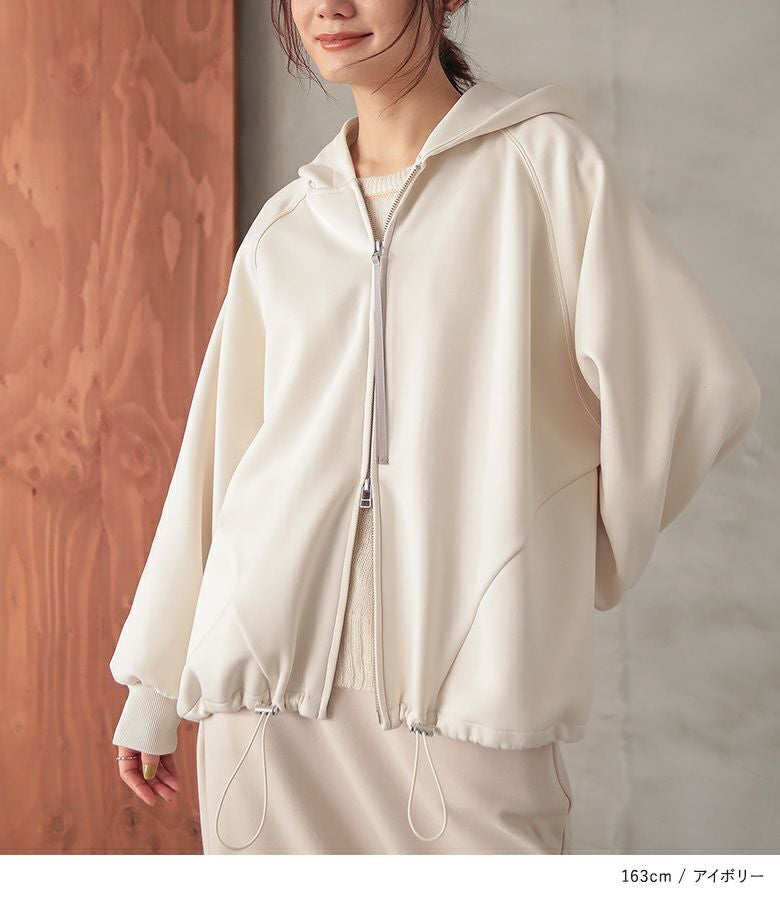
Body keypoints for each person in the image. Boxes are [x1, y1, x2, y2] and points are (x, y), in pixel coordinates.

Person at [108, 0, 761, 854]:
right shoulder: (287, 228)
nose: (329, 7)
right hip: (267, 720)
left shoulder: (545, 171)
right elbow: (218, 462)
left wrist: (554, 554)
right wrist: (156, 686)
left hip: (470, 712)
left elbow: (697, 390)